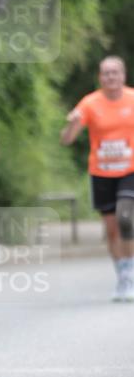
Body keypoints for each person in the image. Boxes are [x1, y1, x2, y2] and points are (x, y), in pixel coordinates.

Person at [61, 56, 134, 301]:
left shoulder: (132, 99)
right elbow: (67, 140)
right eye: (105, 73)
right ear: (100, 77)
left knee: (126, 218)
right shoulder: (90, 103)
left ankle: (130, 271)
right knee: (112, 229)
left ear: (123, 75)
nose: (110, 77)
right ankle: (123, 275)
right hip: (101, 172)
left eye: (115, 72)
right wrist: (71, 124)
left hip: (130, 170)